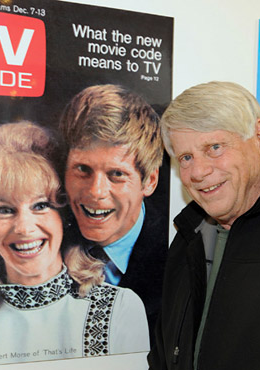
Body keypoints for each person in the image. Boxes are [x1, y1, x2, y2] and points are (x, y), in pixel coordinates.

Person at [0, 121, 149, 369]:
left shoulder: (118, 311)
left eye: (41, 205)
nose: (24, 228)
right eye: (5, 210)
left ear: (64, 215)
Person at [148, 81, 260, 370]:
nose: (197, 172)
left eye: (214, 147)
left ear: (259, 139)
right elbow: (163, 355)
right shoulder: (188, 237)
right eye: (186, 157)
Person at [59, 84, 168, 343]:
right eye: (82, 169)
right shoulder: (40, 238)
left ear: (149, 181)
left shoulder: (177, 255)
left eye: (116, 174)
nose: (96, 192)